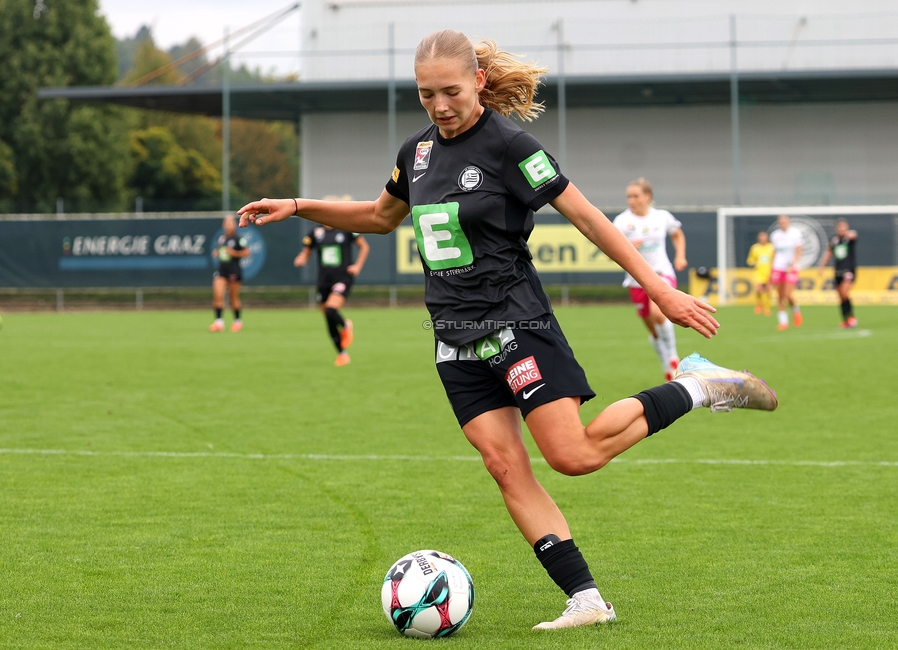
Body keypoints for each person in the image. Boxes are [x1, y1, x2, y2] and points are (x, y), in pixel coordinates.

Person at [237, 30, 777, 631]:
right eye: (425, 95)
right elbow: (377, 217)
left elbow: (588, 218)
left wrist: (658, 286)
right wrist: (297, 203)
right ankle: (586, 599)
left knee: (571, 455)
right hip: (453, 338)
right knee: (504, 466)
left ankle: (702, 386)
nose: (439, 106)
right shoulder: (415, 153)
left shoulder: (510, 145)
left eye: (450, 92)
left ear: (479, 84)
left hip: (517, 322)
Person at [612, 178, 687, 381]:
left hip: (661, 273)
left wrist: (680, 255)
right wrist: (627, 247)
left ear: (647, 197)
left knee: (659, 312)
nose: (631, 200)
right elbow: (610, 249)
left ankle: (672, 355)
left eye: (635, 196)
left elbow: (677, 234)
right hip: (636, 280)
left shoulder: (661, 217)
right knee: (653, 329)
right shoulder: (621, 222)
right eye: (629, 196)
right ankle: (665, 363)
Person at [294, 224, 370, 365]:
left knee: (331, 309)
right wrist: (302, 258)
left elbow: (364, 246)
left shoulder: (346, 229)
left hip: (343, 278)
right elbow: (306, 250)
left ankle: (346, 325)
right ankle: (342, 354)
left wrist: (357, 266)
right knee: (328, 318)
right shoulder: (316, 232)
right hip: (324, 281)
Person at [209, 215, 250, 332]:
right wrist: (217, 252)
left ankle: (237, 321)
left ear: (234, 225)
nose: (228, 225)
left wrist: (233, 252)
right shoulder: (221, 239)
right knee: (218, 295)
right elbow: (222, 252)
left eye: (230, 223)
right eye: (226, 223)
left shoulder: (238, 239)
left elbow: (247, 253)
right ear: (223, 225)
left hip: (234, 271)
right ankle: (219, 323)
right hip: (222, 270)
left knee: (233, 299)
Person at [818, 218, 858, 328]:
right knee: (840, 296)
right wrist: (822, 266)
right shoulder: (834, 240)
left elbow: (854, 235)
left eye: (844, 227)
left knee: (845, 292)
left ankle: (852, 318)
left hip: (849, 270)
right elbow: (828, 252)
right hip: (838, 271)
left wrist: (849, 234)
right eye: (840, 227)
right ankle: (846, 319)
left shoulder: (849, 239)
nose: (842, 229)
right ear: (837, 228)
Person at [770, 214, 803, 331]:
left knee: (788, 295)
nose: (783, 223)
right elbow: (774, 252)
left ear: (789, 222)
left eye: (785, 221)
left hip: (790, 267)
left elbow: (798, 251)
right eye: (781, 221)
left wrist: (793, 265)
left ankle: (796, 310)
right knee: (779, 296)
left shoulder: (795, 233)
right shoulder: (775, 235)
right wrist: (771, 268)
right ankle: (783, 322)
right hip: (778, 267)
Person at [746, 230, 774, 317]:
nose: (762, 238)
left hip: (769, 272)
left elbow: (775, 259)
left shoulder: (771, 247)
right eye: (761, 237)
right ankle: (759, 304)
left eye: (764, 236)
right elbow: (750, 260)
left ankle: (767, 308)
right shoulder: (755, 248)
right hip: (758, 272)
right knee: (759, 289)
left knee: (768, 291)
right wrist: (753, 263)